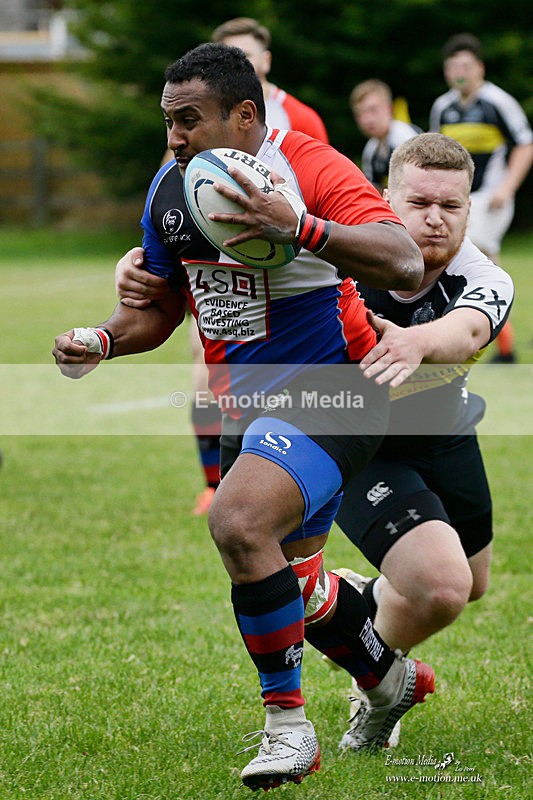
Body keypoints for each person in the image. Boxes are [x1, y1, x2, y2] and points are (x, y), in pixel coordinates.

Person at [53, 43, 432, 791]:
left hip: (338, 390)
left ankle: (288, 729)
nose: (173, 137)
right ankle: (388, 679)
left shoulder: (313, 167)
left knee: (237, 522)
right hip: (247, 406)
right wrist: (101, 337)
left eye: (187, 120)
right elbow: (159, 308)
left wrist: (301, 228)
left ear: (244, 114)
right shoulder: (171, 187)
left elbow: (401, 259)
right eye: (167, 121)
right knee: (297, 583)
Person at [330, 132, 514, 749]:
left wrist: (414, 341)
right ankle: (378, 691)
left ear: (469, 207)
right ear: (387, 198)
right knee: (441, 587)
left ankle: (361, 606)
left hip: (447, 436)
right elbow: (238, 261)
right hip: (363, 446)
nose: (435, 219)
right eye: (419, 203)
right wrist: (141, 265)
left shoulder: (483, 275)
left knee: (474, 580)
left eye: (452, 206)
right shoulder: (343, 259)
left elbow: (466, 332)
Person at [154, 18, 329, 515]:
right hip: (216, 266)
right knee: (205, 372)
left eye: (248, 55)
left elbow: (319, 189)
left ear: (266, 62)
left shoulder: (301, 119)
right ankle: (215, 483)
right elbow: (173, 183)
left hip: (287, 273)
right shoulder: (196, 119)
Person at [429, 33, 532, 363]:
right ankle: (502, 345)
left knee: (471, 259)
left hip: (490, 198)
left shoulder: (496, 102)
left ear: (480, 68)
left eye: (465, 65)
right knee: (477, 263)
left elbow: (525, 144)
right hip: (456, 199)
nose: (459, 72)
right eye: (452, 66)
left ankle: (472, 337)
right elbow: (435, 152)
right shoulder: (443, 107)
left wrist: (507, 188)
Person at [349, 79, 421, 194]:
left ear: (389, 109)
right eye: (360, 113)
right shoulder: (371, 149)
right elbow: (373, 191)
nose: (366, 119)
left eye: (373, 110)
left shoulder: (406, 139)